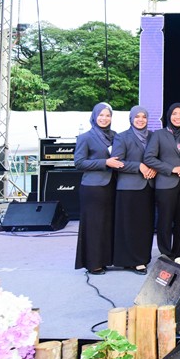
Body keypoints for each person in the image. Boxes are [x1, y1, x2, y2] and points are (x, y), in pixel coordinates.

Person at [143, 103, 180, 267]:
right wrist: (171, 169)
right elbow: (149, 158)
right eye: (174, 113)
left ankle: (179, 254)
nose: (178, 117)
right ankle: (166, 254)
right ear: (169, 116)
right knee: (165, 220)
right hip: (165, 184)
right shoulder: (159, 134)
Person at [74, 102, 122, 274]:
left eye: (108, 115)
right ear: (94, 116)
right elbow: (79, 163)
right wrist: (105, 162)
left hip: (112, 185)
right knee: (94, 225)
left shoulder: (115, 136)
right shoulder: (85, 137)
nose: (104, 118)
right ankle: (93, 263)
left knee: (107, 224)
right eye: (101, 115)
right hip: (93, 188)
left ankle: (106, 259)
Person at [112, 105, 156, 275]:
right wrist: (139, 166)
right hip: (129, 188)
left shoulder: (153, 136)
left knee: (145, 225)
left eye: (144, 117)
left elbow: (159, 157)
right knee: (130, 224)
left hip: (149, 186)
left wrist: (155, 168)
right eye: (137, 117)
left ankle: (142, 258)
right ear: (131, 119)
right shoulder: (122, 137)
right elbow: (117, 162)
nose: (140, 120)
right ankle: (131, 260)